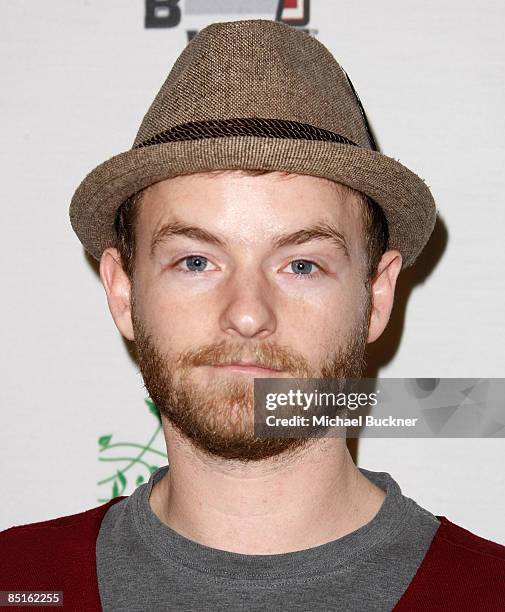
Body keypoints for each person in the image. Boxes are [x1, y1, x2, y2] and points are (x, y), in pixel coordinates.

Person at [1, 18, 504, 612]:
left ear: (378, 296)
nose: (246, 315)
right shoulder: (17, 580)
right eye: (195, 261)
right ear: (121, 292)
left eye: (301, 265)